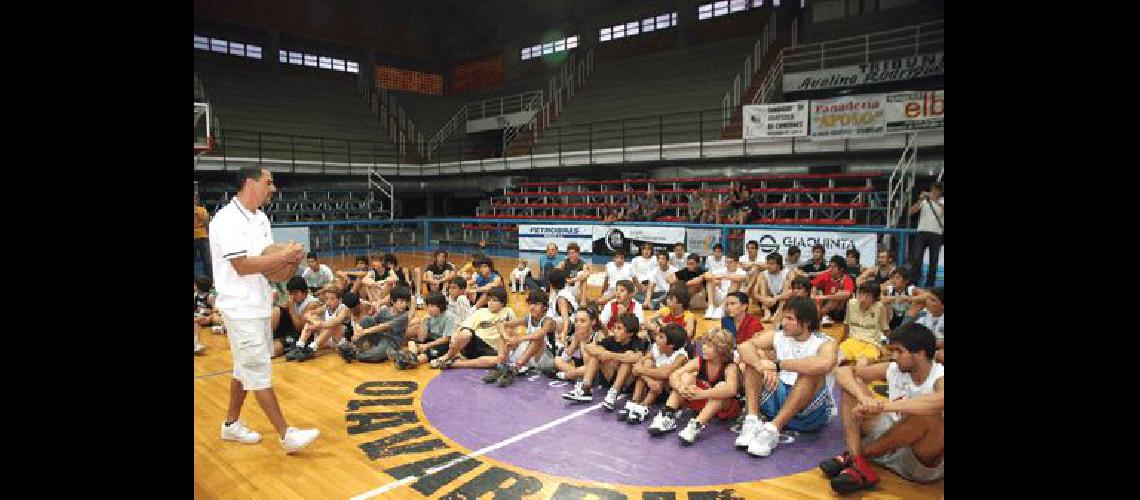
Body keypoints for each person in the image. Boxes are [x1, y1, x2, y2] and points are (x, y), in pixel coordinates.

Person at [208, 166, 318, 453]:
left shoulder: (260, 218)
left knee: (244, 368)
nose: (273, 188)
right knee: (258, 370)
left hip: (258, 305)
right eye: (268, 182)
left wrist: (291, 260)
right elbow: (242, 265)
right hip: (239, 308)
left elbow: (270, 267)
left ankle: (231, 425)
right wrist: (283, 255)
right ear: (250, 183)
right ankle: (286, 434)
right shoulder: (226, 220)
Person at [820, 323, 943, 492]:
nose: (893, 356)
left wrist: (883, 407)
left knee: (928, 415)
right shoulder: (894, 368)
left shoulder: (939, 376)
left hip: (918, 459)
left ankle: (860, 455)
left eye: (899, 351)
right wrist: (863, 398)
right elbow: (843, 372)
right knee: (851, 388)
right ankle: (857, 462)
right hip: (891, 437)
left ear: (921, 353)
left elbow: (939, 401)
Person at [734, 297, 838, 458]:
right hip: (780, 399)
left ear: (807, 322)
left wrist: (777, 365)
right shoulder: (779, 335)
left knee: (810, 373)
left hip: (811, 412)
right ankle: (752, 420)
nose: (784, 323)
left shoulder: (826, 342)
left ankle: (773, 429)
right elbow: (744, 346)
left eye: (790, 319)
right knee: (751, 364)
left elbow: (824, 364)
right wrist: (761, 365)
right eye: (783, 317)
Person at [647, 328, 740, 444]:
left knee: (721, 387)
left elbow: (731, 390)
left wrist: (702, 393)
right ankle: (668, 415)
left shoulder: (730, 366)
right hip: (701, 399)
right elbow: (674, 375)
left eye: (709, 346)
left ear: (721, 350)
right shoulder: (700, 361)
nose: (704, 348)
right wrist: (680, 387)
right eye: (704, 344)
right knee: (685, 377)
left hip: (724, 406)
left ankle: (696, 424)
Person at [563, 312, 646, 409]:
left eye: (619, 328)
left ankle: (613, 393)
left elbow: (637, 357)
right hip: (609, 377)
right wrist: (603, 353)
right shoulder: (611, 340)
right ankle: (585, 389)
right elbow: (589, 347)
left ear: (630, 333)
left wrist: (611, 355)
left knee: (626, 362)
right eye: (614, 328)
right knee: (596, 356)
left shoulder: (637, 342)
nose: (614, 331)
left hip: (627, 383)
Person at [481, 290, 556, 387]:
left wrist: (518, 339)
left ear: (545, 307)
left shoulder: (548, 320)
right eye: (530, 304)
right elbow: (501, 324)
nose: (532, 307)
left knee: (537, 339)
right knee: (507, 331)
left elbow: (540, 334)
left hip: (545, 359)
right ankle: (500, 366)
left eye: (536, 304)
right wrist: (506, 336)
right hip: (529, 357)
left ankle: (515, 369)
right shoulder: (528, 317)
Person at [431, 287, 517, 370]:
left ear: (502, 303)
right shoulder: (481, 312)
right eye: (489, 300)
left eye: (494, 300)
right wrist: (454, 339)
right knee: (465, 333)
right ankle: (446, 357)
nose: (490, 303)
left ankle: (457, 364)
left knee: (498, 360)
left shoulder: (508, 311)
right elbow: (463, 327)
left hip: (493, 350)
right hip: (475, 344)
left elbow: (512, 333)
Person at [621, 323, 689, 424]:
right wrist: (648, 379)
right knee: (648, 363)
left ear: (671, 345)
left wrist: (641, 371)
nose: (656, 338)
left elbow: (665, 374)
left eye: (661, 337)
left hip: (670, 391)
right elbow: (639, 364)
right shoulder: (656, 348)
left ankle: (645, 406)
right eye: (657, 336)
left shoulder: (681, 356)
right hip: (654, 386)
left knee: (662, 369)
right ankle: (635, 401)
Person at [349, 286, 412, 364]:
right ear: (393, 301)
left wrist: (364, 332)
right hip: (379, 337)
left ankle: (356, 355)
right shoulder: (384, 310)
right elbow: (371, 321)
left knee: (378, 354)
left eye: (406, 302)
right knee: (366, 319)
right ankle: (354, 347)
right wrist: (357, 330)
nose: (404, 305)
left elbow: (385, 326)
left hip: (391, 343)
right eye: (401, 301)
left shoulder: (405, 316)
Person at [289, 287, 352, 362]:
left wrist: (317, 325)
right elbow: (307, 314)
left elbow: (334, 322)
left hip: (340, 341)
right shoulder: (326, 307)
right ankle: (299, 346)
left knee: (333, 324)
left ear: (339, 300)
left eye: (332, 299)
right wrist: (314, 321)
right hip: (325, 339)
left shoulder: (344, 309)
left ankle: (311, 349)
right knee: (312, 319)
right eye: (327, 299)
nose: (329, 301)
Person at [840, 282, 891, 365]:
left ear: (874, 299)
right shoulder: (851, 303)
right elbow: (846, 325)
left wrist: (884, 346)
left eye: (868, 296)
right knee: (836, 359)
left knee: (861, 365)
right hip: (852, 341)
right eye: (861, 294)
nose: (863, 299)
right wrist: (842, 341)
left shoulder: (879, 307)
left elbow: (885, 329)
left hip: (871, 344)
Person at [271, 276, 321, 358]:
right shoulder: (295, 300)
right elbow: (281, 308)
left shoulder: (312, 304)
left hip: (303, 335)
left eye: (295, 293)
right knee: (276, 310)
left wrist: (291, 309)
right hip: (292, 329)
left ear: (304, 292)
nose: (292, 296)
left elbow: (300, 328)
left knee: (276, 348)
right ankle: (265, 337)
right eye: (290, 293)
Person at [550, 306, 603, 381]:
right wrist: (573, 344)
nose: (578, 324)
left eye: (583, 321)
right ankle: (577, 377)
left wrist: (582, 342)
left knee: (586, 368)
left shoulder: (598, 335)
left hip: (594, 372)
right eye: (576, 321)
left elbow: (588, 363)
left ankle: (567, 375)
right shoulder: (576, 335)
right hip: (580, 371)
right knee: (557, 360)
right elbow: (564, 359)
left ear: (593, 322)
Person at [407, 291, 456, 366]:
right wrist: (423, 322)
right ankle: (410, 358)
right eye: (428, 306)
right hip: (430, 341)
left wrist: (427, 345)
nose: (429, 308)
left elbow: (446, 339)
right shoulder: (428, 317)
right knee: (411, 343)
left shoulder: (449, 317)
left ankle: (410, 361)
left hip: (442, 344)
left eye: (432, 306)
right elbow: (421, 338)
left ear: (440, 306)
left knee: (424, 356)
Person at [909, 182, 943, 288]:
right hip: (922, 232)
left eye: (937, 190)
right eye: (933, 189)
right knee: (917, 258)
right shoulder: (924, 201)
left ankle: (930, 284)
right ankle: (914, 282)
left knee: (933, 261)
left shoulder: (942, 201)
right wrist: (920, 200)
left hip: (936, 233)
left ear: (941, 191)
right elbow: (911, 212)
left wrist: (933, 199)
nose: (934, 192)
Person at [811, 255, 855, 326]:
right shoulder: (826, 275)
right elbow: (813, 284)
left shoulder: (847, 279)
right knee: (817, 297)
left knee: (835, 298)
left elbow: (846, 294)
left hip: (840, 309)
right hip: (826, 305)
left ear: (841, 269)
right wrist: (814, 295)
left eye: (834, 266)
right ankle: (820, 317)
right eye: (830, 266)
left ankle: (818, 316)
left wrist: (825, 297)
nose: (830, 269)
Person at [703, 251, 747, 320]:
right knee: (710, 281)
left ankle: (721, 308)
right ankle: (711, 307)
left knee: (735, 281)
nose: (728, 264)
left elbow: (740, 278)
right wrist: (714, 279)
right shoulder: (722, 270)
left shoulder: (741, 272)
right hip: (720, 296)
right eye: (727, 262)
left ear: (736, 263)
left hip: (733, 299)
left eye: (730, 262)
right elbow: (706, 275)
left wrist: (722, 276)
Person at [904, 287, 943, 363]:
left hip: (935, 352)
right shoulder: (924, 313)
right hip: (924, 350)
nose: (927, 302)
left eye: (933, 300)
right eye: (928, 298)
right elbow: (910, 333)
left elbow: (941, 343)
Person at [545, 268, 579, 353]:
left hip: (570, 325)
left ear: (551, 283)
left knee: (548, 323)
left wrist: (564, 332)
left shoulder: (561, 298)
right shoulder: (561, 289)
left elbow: (565, 318)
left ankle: (557, 347)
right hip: (565, 321)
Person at [753, 252, 793, 322]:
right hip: (767, 303)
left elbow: (793, 291)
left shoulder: (788, 273)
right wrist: (764, 299)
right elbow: (755, 293)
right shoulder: (763, 274)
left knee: (786, 284)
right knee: (762, 282)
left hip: (782, 303)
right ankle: (766, 312)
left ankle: (778, 314)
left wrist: (775, 298)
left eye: (771, 264)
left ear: (779, 265)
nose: (768, 266)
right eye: (767, 263)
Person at [194, 194, 212, 279]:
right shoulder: (203, 210)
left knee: (207, 261)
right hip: (203, 236)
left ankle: (208, 279)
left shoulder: (203, 210)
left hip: (202, 236)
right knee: (207, 260)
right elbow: (207, 224)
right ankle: (210, 280)